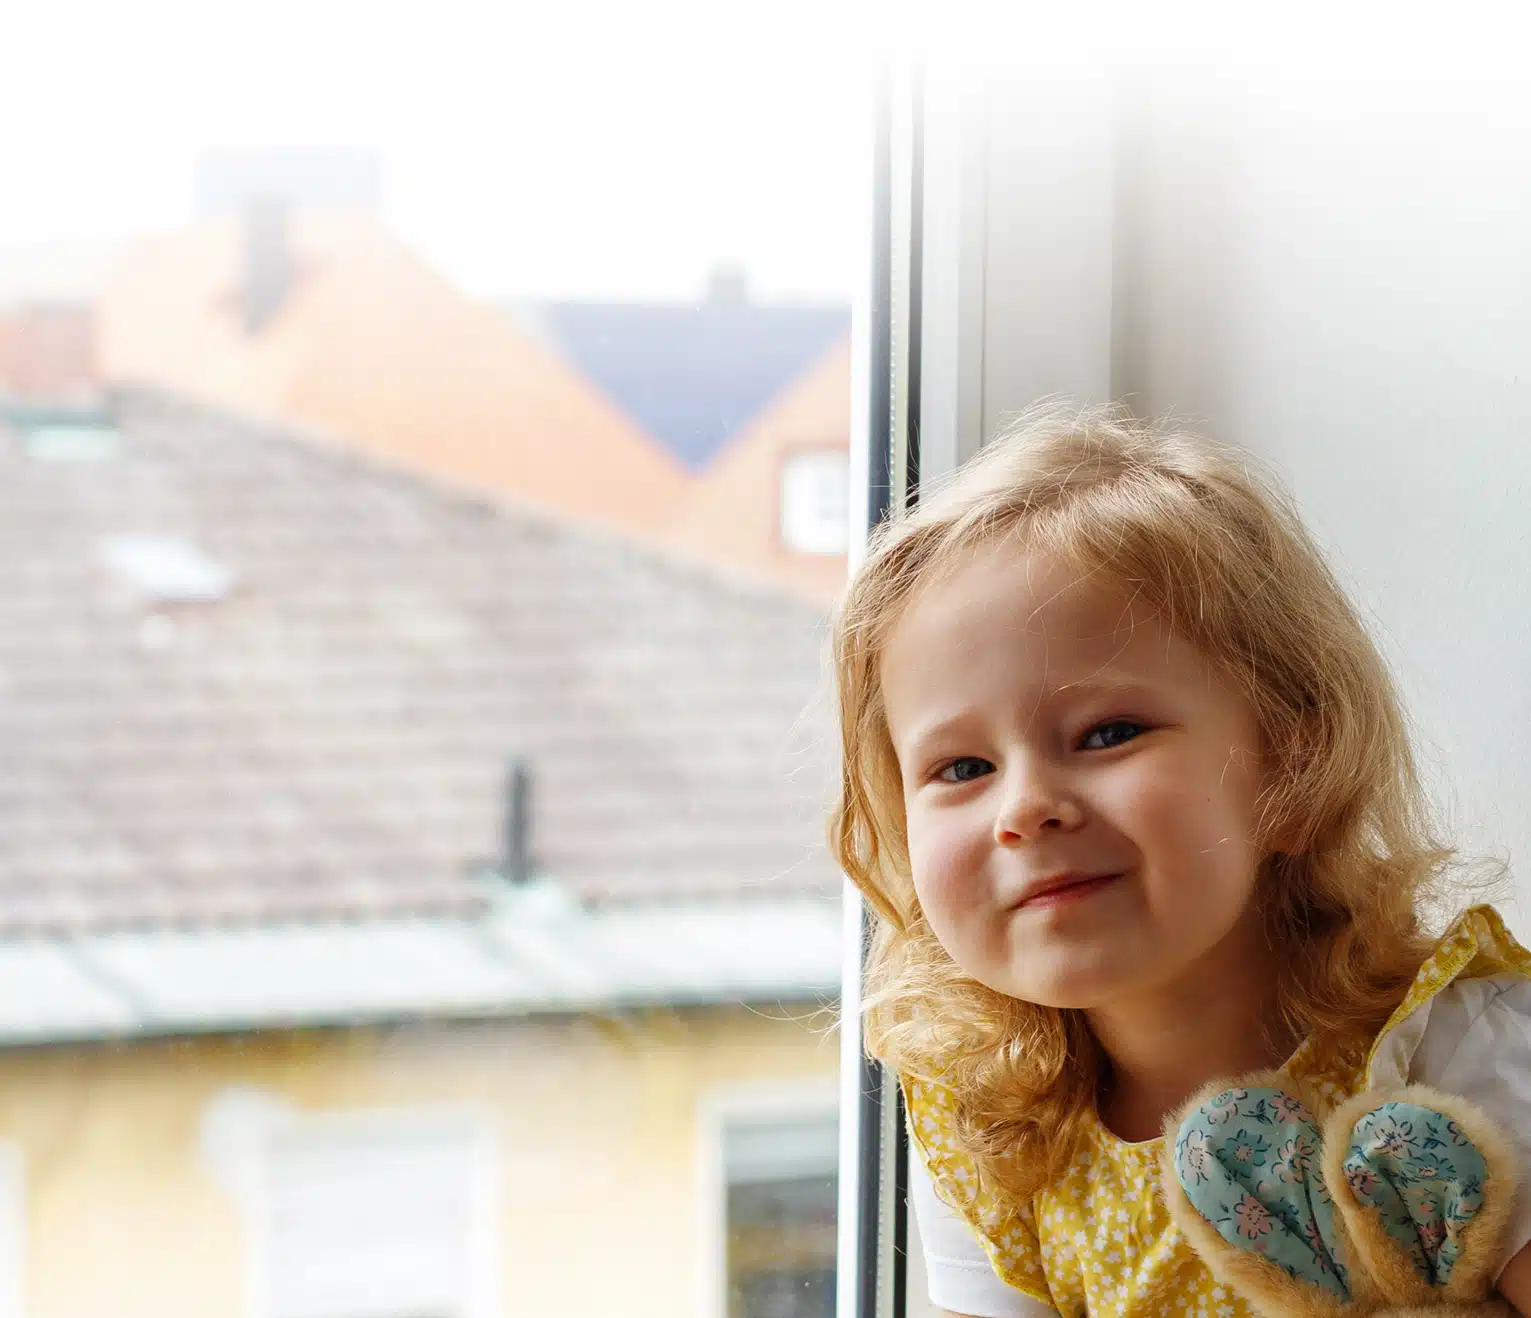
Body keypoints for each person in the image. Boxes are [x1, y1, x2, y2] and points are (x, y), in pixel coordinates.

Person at [829, 402, 1531, 1317]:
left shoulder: (1458, 1049)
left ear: (1291, 766)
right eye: (962, 767)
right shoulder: (991, 1132)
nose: (1026, 808)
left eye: (1107, 732)